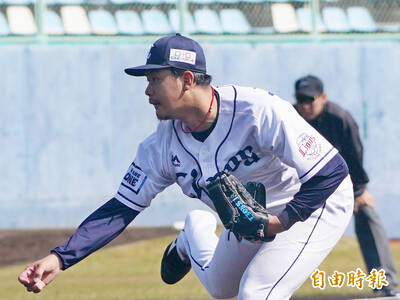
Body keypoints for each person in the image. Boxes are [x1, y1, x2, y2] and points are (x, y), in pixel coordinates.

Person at [18, 34, 354, 300]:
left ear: (187, 79)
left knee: (258, 292)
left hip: (314, 201)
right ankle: (193, 233)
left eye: (155, 79)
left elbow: (331, 171)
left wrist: (280, 222)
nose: (148, 91)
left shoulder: (258, 110)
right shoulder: (160, 146)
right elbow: (120, 208)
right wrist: (60, 258)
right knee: (222, 288)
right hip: (253, 214)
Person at [294, 75, 399, 297]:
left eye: (310, 99)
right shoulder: (291, 117)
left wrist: (359, 191)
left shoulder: (339, 118)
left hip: (341, 182)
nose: (305, 105)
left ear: (323, 97)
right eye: (300, 99)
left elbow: (354, 156)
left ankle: (386, 284)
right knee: (278, 226)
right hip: (301, 185)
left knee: (367, 214)